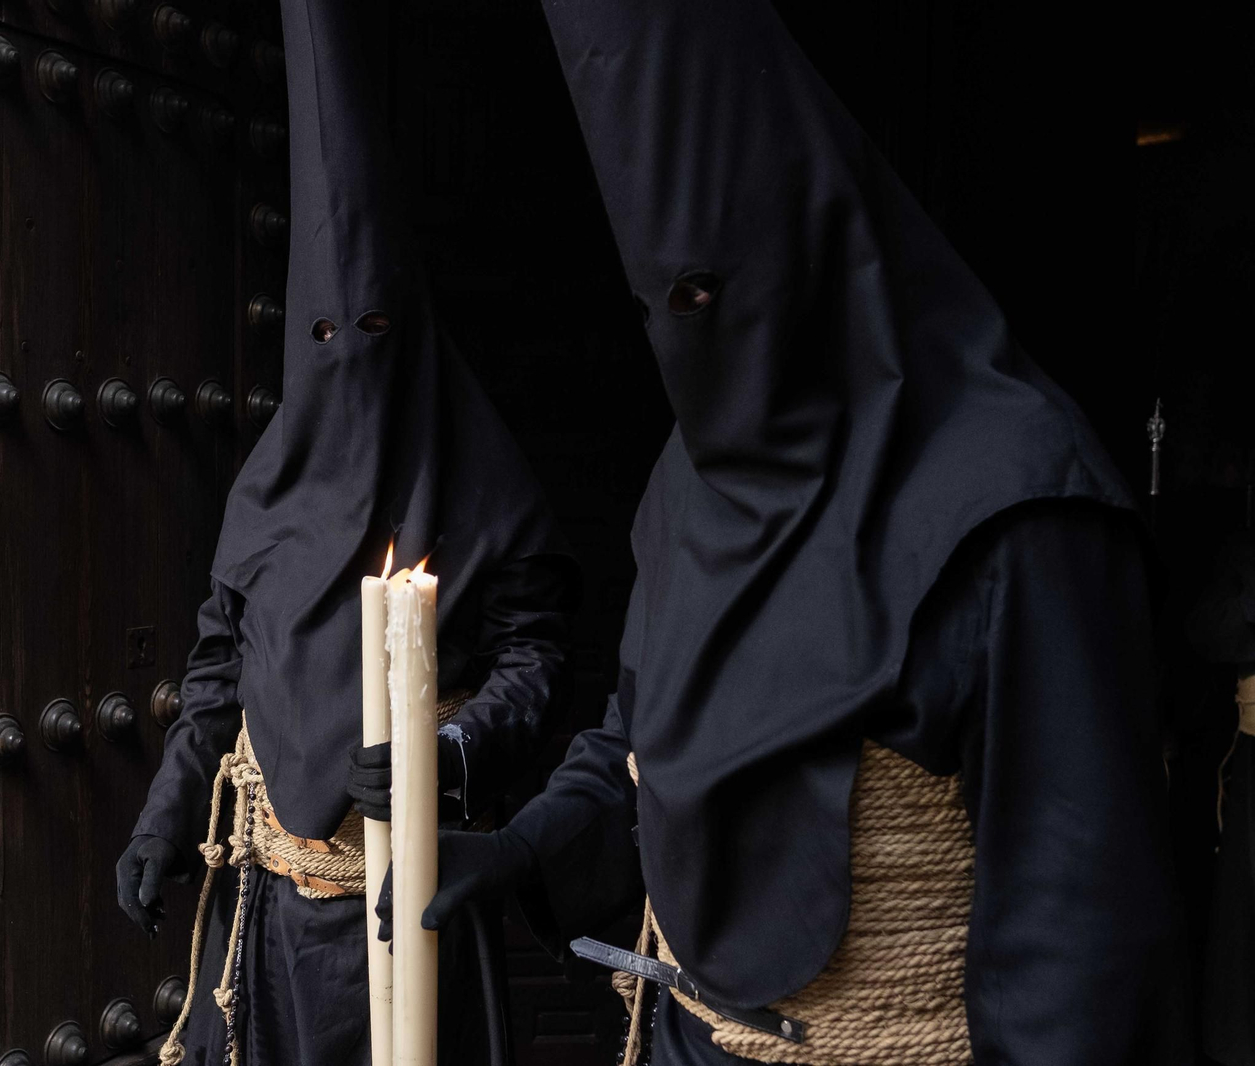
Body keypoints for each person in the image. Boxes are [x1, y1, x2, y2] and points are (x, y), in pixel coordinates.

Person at [381, 0, 1193, 1062]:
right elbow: (642, 732)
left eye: (713, 293)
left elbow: (1076, 945)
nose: (697, 337)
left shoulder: (1019, 514)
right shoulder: (694, 474)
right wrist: (525, 846)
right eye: (661, 304)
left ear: (819, 245)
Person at [115, 0, 576, 1062]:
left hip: (415, 897)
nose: (351, 358)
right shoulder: (268, 487)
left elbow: (534, 656)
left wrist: (448, 748)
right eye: (328, 337)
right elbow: (218, 675)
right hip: (273, 912)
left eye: (373, 333)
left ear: (413, 332)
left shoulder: (479, 481)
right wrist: (162, 817)